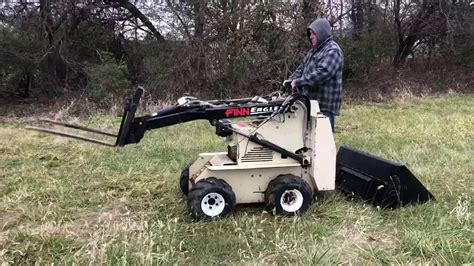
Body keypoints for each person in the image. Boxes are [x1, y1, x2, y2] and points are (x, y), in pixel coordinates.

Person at [284, 18, 344, 132]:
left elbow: (322, 73)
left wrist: (299, 82)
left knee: (323, 142)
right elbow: (301, 69)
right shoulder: (313, 52)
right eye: (310, 34)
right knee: (309, 140)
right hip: (310, 104)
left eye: (313, 33)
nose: (311, 36)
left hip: (324, 106)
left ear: (321, 33)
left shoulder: (332, 50)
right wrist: (290, 81)